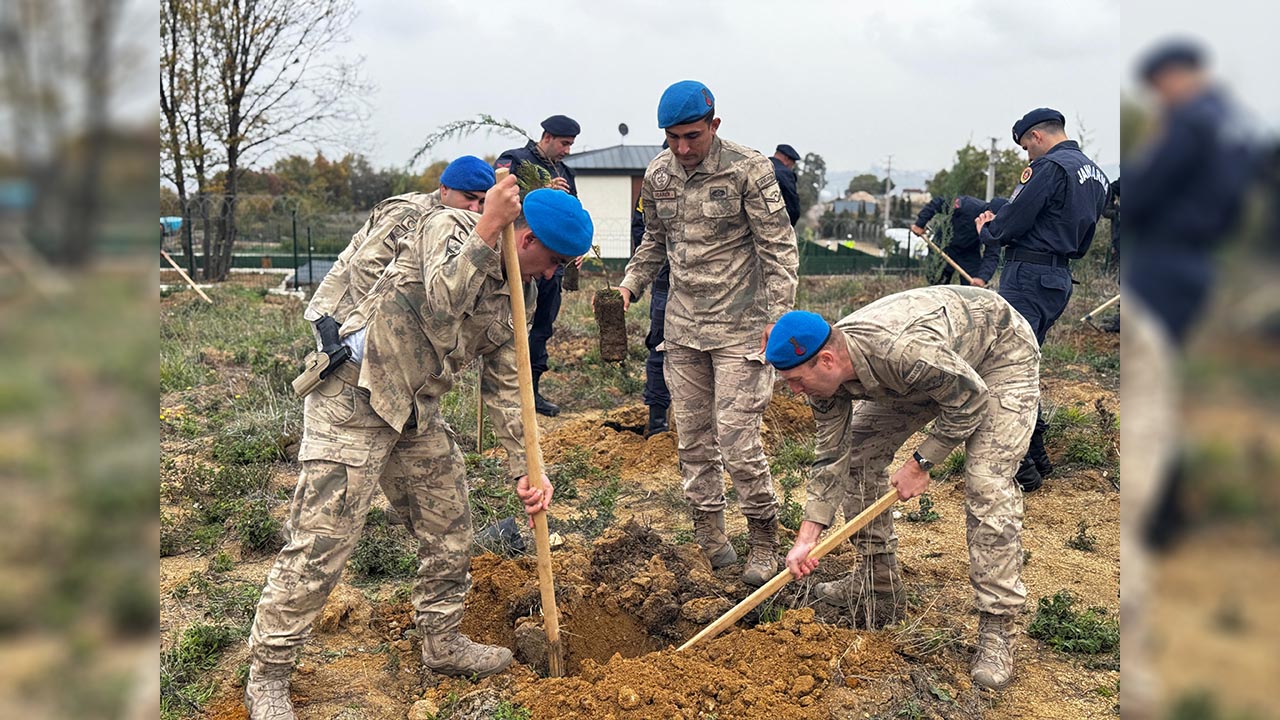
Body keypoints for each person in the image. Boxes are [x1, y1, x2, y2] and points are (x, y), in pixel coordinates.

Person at [243, 183, 594, 720]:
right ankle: (268, 673)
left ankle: (442, 638)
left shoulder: (513, 299)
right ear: (524, 238)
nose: (553, 275)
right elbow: (443, 298)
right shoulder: (449, 229)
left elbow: (507, 389)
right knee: (322, 542)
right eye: (553, 262)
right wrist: (485, 231)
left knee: (449, 520)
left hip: (414, 412)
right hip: (354, 397)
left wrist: (528, 466)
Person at [770, 286, 1039, 690]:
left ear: (826, 360)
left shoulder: (900, 351)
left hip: (997, 354)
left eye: (795, 381)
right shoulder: (824, 376)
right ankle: (878, 587)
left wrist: (922, 462)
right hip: (930, 373)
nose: (794, 391)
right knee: (859, 456)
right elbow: (833, 456)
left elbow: (969, 398)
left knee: (986, 481)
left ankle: (997, 628)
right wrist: (808, 537)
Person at [616, 80, 799, 586]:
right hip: (683, 329)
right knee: (694, 440)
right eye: (672, 138)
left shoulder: (749, 168)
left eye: (692, 136)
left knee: (738, 440)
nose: (682, 148)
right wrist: (629, 287)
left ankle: (764, 537)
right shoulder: (658, 175)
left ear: (714, 124)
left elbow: (778, 248)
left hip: (743, 330)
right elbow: (654, 241)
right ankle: (711, 537)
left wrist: (779, 318)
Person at [972, 108, 1109, 491]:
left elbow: (1016, 218)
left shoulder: (1049, 167)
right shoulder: (1094, 173)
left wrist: (989, 230)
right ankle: (1038, 457)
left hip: (1027, 276)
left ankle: (1022, 467)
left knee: (1007, 366)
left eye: (1025, 148)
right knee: (1025, 364)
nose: (1027, 156)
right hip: (1058, 277)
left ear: (1035, 137)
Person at [306, 156, 495, 326]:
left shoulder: (450, 220)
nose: (474, 208)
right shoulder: (413, 214)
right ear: (444, 189)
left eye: (482, 201)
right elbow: (365, 266)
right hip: (339, 311)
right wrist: (375, 325)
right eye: (469, 198)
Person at [496, 114, 582, 417]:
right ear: (546, 137)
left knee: (542, 328)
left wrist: (573, 250)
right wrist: (541, 190)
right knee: (513, 326)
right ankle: (509, 394)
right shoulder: (515, 160)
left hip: (551, 268)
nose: (567, 150)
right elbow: (499, 200)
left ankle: (532, 393)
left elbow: (573, 214)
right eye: (564, 143)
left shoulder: (566, 173)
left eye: (571, 144)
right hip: (522, 263)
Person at [631, 191, 671, 436]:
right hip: (665, 276)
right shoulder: (657, 184)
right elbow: (642, 229)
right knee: (660, 347)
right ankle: (658, 422)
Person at [909, 195, 1008, 285]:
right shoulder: (967, 205)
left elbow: (992, 254)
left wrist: (982, 278)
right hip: (944, 246)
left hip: (969, 252)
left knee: (972, 290)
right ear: (989, 211)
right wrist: (920, 224)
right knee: (937, 282)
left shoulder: (996, 227)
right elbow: (938, 202)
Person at [770, 144, 802, 226]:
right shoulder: (785, 173)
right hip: (776, 225)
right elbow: (792, 206)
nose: (792, 167)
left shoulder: (759, 167)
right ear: (786, 159)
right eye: (792, 163)